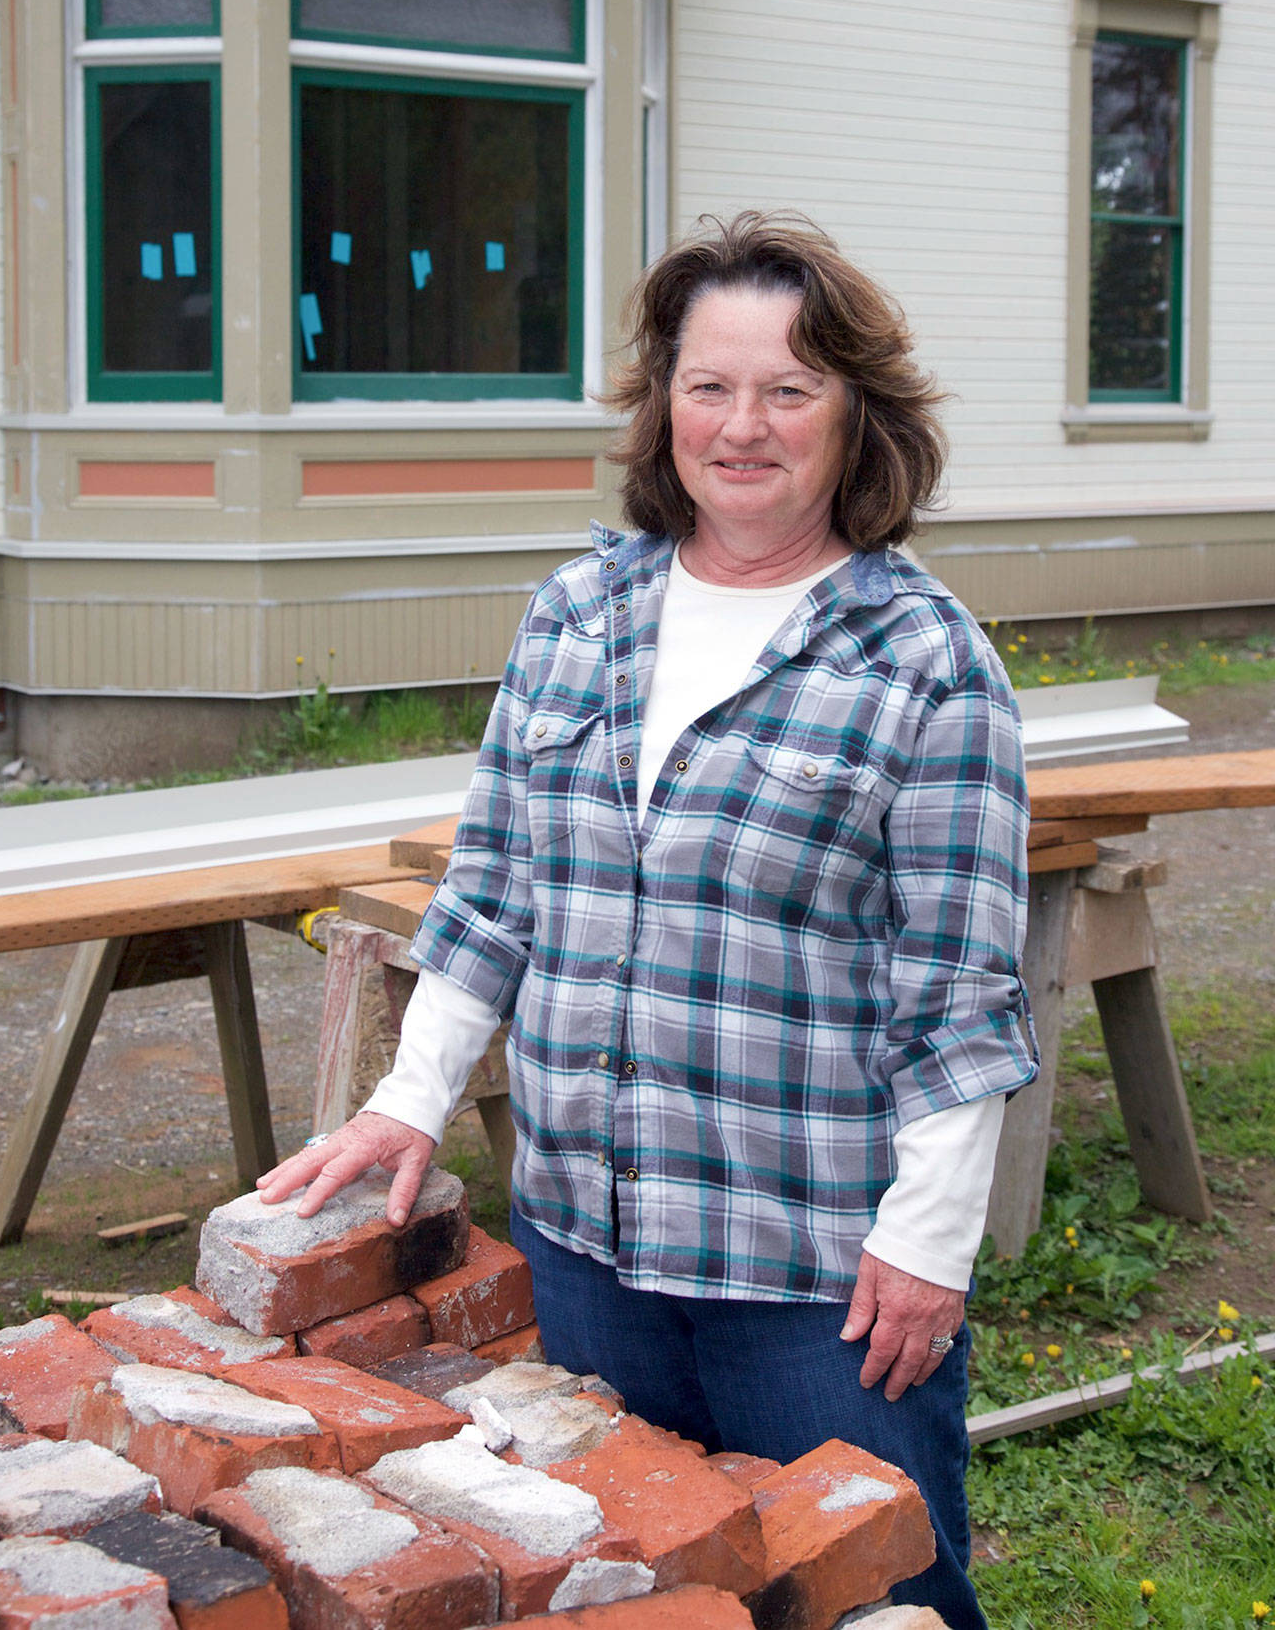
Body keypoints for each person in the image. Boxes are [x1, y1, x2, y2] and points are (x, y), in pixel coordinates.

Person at [258, 212, 1037, 1629]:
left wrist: (928, 1245)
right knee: (635, 1595)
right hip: (584, 1247)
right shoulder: (578, 613)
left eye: (789, 389)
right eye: (709, 385)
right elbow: (496, 888)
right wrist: (407, 1100)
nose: (743, 426)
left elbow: (958, 996)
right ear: (662, 404)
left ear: (855, 415)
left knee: (870, 1598)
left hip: (813, 1280)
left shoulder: (926, 663)